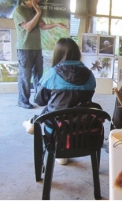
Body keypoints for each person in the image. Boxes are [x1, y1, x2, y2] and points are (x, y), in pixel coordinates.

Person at [22, 37, 97, 165]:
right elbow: (88, 98)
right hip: (82, 128)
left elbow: (40, 100)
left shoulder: (51, 73)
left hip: (56, 128)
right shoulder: (90, 75)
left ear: (57, 54)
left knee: (51, 109)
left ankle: (34, 124)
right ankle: (62, 148)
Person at [13, 0, 68, 109]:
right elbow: (28, 27)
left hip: (37, 48)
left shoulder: (34, 10)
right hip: (24, 49)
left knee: (39, 74)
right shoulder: (19, 10)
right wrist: (38, 13)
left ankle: (39, 98)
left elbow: (42, 26)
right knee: (25, 76)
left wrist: (56, 24)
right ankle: (23, 100)